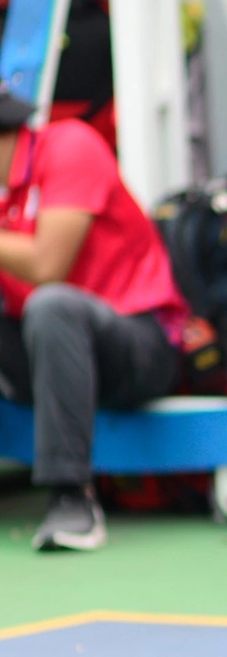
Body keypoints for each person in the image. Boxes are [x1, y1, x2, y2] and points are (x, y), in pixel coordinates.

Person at [0, 90, 187, 551]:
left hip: (137, 345)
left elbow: (48, 266)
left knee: (52, 304)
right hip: (48, 358)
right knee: (47, 312)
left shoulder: (69, 148)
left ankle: (72, 500)